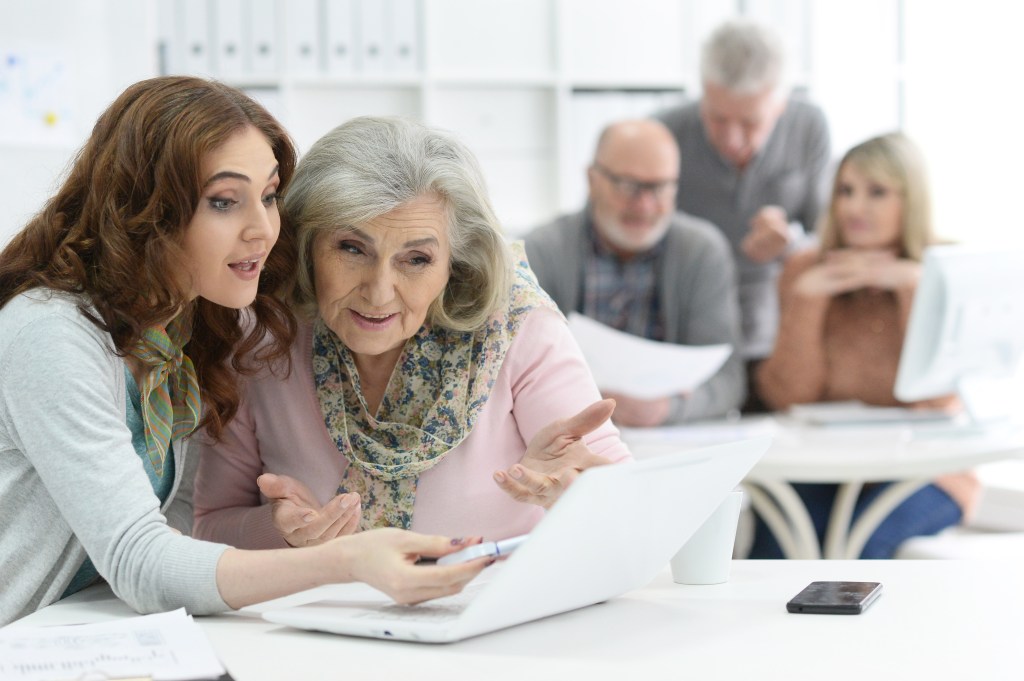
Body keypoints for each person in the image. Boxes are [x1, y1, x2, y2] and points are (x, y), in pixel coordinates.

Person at [0, 77, 489, 626]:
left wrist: (280, 529)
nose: (262, 229)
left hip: (73, 632)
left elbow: (176, 531)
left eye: (270, 195)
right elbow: (141, 561)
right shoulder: (50, 335)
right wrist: (345, 561)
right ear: (145, 210)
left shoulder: (183, 330)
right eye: (224, 202)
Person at [192, 115, 630, 550]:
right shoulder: (262, 338)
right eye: (351, 248)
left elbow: (633, 512)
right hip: (320, 615)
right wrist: (280, 529)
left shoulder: (520, 330)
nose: (379, 292)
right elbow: (209, 526)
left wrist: (576, 497)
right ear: (307, 246)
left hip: (494, 611)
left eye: (416, 259)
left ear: (454, 265)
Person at [750, 132, 979, 558]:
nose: (855, 207)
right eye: (845, 191)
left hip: (927, 471)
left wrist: (914, 287)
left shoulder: (944, 268)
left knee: (867, 545)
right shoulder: (806, 269)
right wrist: (807, 299)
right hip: (828, 465)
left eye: (876, 192)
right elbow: (789, 396)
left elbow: (937, 401)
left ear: (910, 200)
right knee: (774, 549)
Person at [655, 19, 831, 410]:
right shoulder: (664, 132)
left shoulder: (809, 127)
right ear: (703, 92)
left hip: (774, 329)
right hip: (688, 329)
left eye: (750, 122)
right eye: (717, 118)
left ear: (780, 105)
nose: (733, 139)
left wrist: (790, 243)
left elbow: (830, 239)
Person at [524, 119, 744, 426]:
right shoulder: (542, 251)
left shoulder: (702, 252)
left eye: (660, 188)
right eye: (628, 186)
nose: (644, 205)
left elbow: (728, 380)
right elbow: (518, 371)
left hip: (669, 440)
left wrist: (667, 409)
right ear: (592, 180)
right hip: (570, 435)